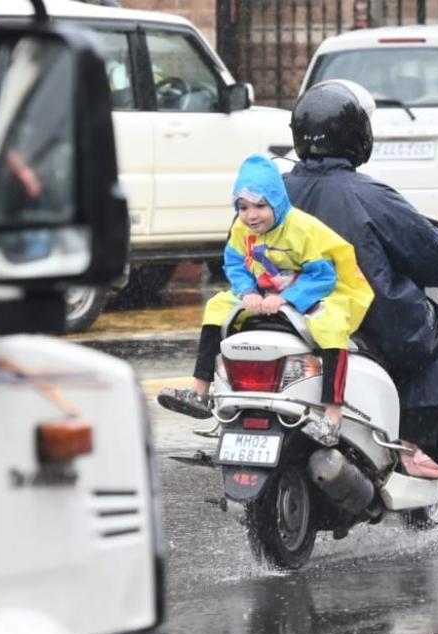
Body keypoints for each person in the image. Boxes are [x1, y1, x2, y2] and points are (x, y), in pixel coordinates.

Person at [283, 79, 438, 479]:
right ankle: (414, 448)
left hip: (287, 317)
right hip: (369, 322)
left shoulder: (272, 193)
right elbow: (435, 263)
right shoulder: (370, 195)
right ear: (357, 136)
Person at [157, 153, 374, 446]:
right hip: (263, 290)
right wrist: (247, 291)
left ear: (277, 201)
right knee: (216, 307)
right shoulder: (241, 229)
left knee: (331, 323)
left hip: (314, 290)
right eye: (243, 207)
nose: (251, 215)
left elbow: (324, 276)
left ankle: (331, 417)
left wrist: (286, 299)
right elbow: (234, 261)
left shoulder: (302, 229)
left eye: (260, 205)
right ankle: (200, 391)